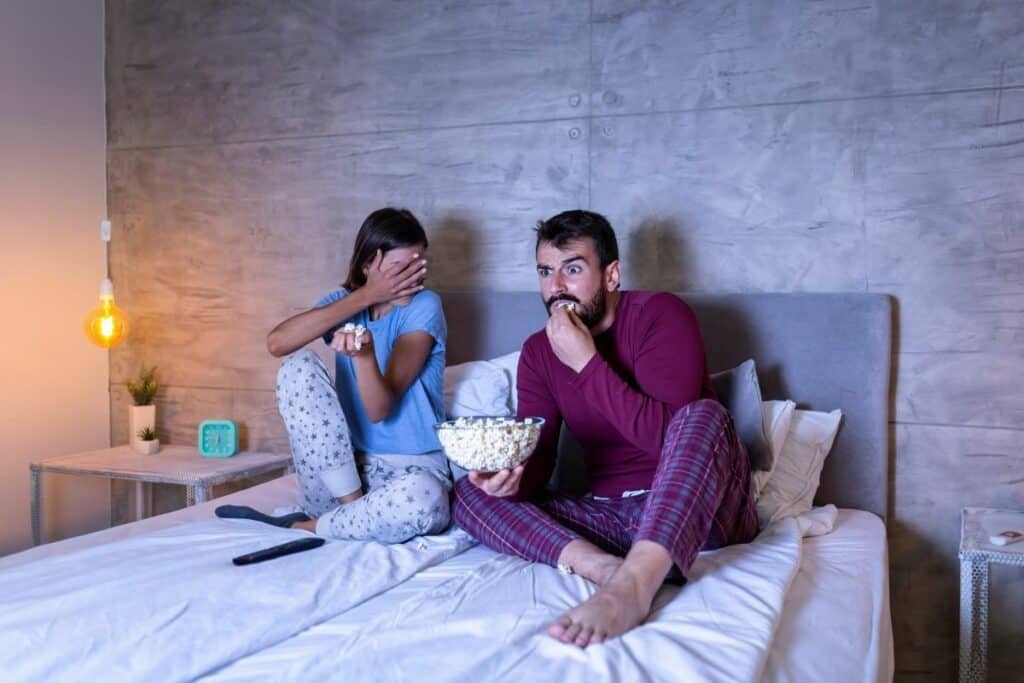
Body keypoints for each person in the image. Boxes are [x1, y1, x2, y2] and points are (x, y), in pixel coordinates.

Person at [452, 210, 758, 648]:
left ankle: (632, 588)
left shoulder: (660, 314)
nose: (556, 287)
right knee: (468, 491)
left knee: (704, 415)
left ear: (611, 274)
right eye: (545, 272)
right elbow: (538, 470)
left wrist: (585, 362)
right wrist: (510, 479)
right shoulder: (539, 353)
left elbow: (669, 439)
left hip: (705, 511)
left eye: (572, 269)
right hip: (612, 519)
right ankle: (607, 570)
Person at [217, 207, 452, 543]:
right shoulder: (346, 302)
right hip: (342, 480)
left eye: (419, 267)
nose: (411, 279)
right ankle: (351, 512)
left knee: (426, 498)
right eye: (401, 269)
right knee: (297, 367)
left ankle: (308, 527)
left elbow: (379, 410)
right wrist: (369, 294)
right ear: (370, 263)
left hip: (410, 475)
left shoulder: (425, 305)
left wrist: (363, 356)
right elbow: (277, 342)